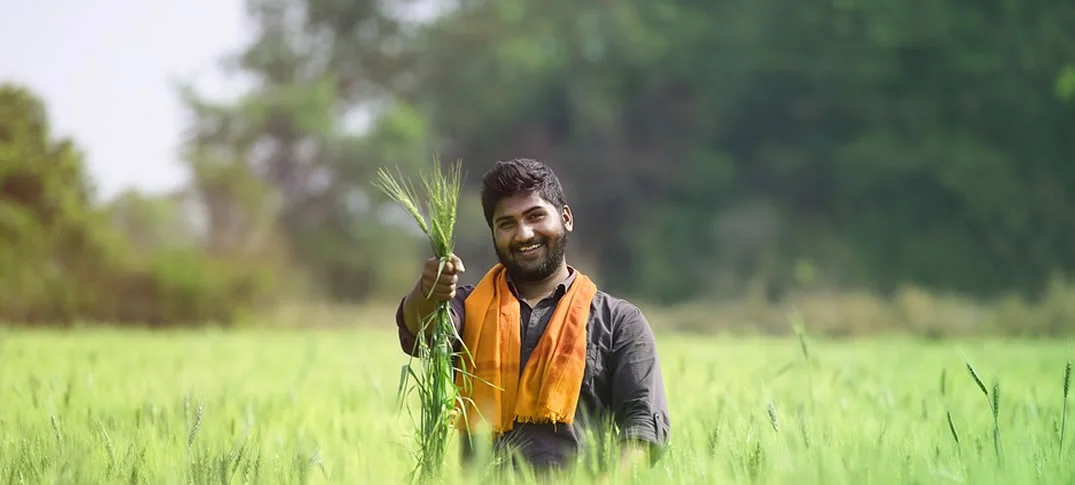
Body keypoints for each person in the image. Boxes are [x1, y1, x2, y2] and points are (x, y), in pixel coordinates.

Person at [394, 158, 670, 476]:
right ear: (494, 233)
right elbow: (420, 330)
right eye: (506, 223)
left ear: (566, 218)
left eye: (535, 216)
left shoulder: (619, 322)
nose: (524, 234)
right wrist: (428, 289)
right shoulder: (467, 307)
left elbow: (643, 427)